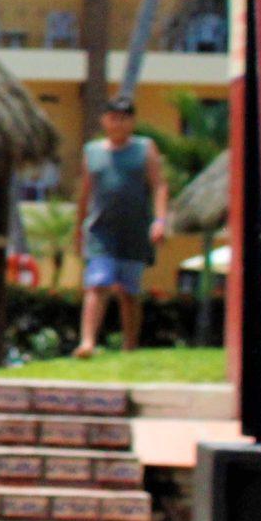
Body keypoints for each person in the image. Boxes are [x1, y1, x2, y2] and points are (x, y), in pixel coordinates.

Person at [75, 95, 169, 357]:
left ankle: (130, 344)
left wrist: (160, 221)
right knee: (97, 283)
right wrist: (78, 231)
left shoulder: (144, 148)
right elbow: (85, 193)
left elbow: (159, 185)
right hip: (100, 230)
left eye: (124, 117)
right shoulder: (91, 152)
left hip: (135, 230)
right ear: (104, 120)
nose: (118, 122)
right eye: (114, 117)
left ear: (132, 121)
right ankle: (88, 341)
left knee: (128, 290)